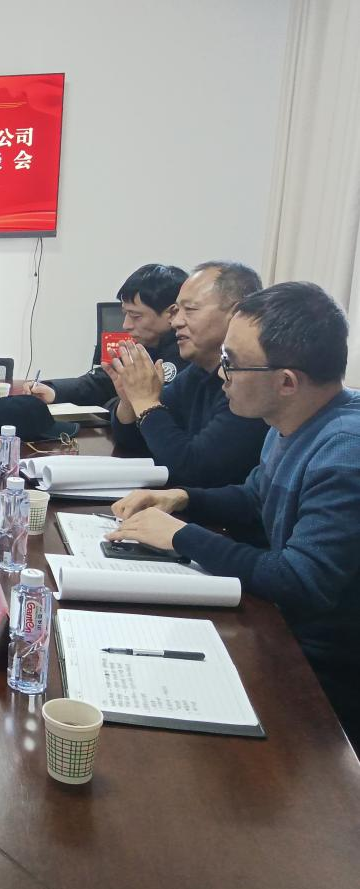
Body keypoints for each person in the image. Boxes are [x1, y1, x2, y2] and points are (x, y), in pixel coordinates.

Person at [108, 282, 360, 743]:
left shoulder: (345, 451)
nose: (222, 374)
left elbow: (300, 581)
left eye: (233, 362)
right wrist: (181, 498)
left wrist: (180, 536)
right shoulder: (290, 421)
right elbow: (255, 496)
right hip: (281, 631)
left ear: (287, 382)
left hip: (319, 678)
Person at [107, 260, 268, 487]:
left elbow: (193, 470)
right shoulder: (198, 371)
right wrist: (129, 402)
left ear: (236, 314)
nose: (175, 322)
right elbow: (136, 442)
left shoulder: (252, 381)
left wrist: (146, 403)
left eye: (190, 310)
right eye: (176, 311)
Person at [28, 263, 187, 407]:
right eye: (125, 313)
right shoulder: (145, 346)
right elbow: (103, 383)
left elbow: (156, 402)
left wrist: (115, 405)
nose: (126, 325)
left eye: (136, 316)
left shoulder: (188, 354)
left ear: (172, 313)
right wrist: (54, 391)